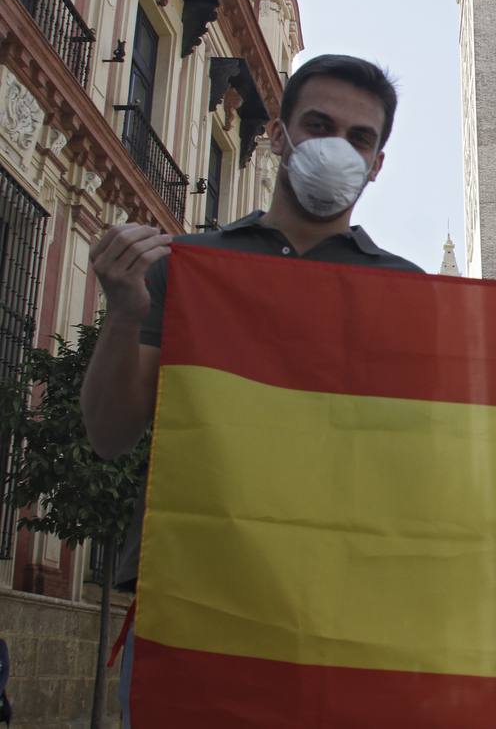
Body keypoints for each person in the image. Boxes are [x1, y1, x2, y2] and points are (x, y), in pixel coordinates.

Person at [80, 55, 423, 726]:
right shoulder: (186, 268)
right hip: (197, 610)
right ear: (278, 135)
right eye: (318, 124)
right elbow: (108, 435)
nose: (337, 146)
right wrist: (123, 312)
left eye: (359, 137)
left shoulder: (411, 295)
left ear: (377, 163)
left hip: (350, 620)